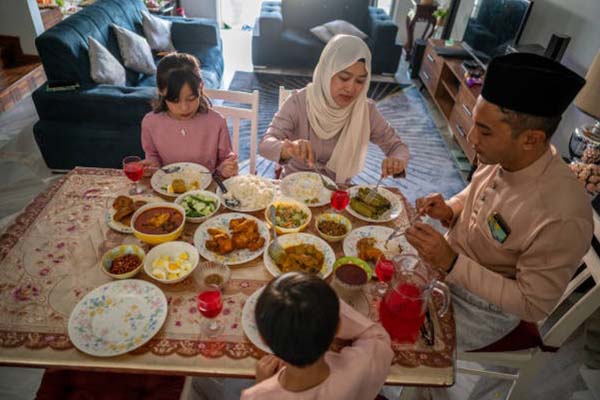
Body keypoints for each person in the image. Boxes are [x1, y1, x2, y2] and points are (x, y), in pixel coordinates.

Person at [405, 52, 593, 351]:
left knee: (395, 335)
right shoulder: (503, 155)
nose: (471, 137)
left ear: (531, 139)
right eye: (475, 123)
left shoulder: (562, 215)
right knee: (375, 283)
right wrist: (451, 208)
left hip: (484, 308)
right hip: (447, 266)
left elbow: (533, 305)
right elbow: (474, 194)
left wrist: (451, 262)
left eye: (485, 130)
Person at [258, 35, 409, 183]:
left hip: (338, 193)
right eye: (344, 77)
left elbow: (397, 146)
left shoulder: (365, 110)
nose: (351, 88)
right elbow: (266, 144)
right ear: (326, 72)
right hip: (295, 189)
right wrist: (288, 149)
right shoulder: (299, 102)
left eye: (360, 81)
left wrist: (397, 160)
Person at [240, 272, 393, 399]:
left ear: (262, 338)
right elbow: (377, 336)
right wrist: (324, 304)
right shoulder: (362, 366)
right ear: (338, 326)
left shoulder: (256, 396)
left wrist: (262, 384)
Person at [141, 52, 238, 177]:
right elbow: (153, 156)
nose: (184, 108)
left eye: (191, 98)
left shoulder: (216, 122)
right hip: (168, 187)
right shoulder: (150, 123)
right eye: (175, 101)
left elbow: (225, 159)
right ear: (161, 91)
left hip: (206, 190)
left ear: (201, 87)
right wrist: (152, 166)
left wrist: (226, 167)